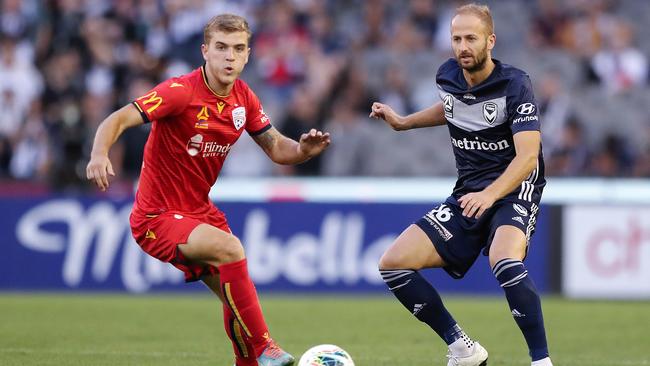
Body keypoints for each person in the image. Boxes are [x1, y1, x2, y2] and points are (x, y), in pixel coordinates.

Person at [86, 14, 331, 366]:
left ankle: (248, 361)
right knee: (231, 250)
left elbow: (277, 148)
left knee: (235, 295)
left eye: (238, 49)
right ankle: (265, 346)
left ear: (248, 55)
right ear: (205, 51)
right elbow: (120, 118)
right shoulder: (180, 92)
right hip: (157, 215)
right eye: (221, 48)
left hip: (200, 212)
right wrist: (99, 153)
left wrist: (303, 150)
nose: (229, 57)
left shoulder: (244, 99)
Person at [370, 4, 552, 366]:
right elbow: (452, 107)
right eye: (456, 38)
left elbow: (528, 157)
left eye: (471, 38)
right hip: (468, 193)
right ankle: (462, 348)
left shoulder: (515, 84)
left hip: (513, 190)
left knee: (504, 258)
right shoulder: (448, 75)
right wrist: (405, 122)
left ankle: (541, 361)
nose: (463, 46)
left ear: (490, 41)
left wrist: (490, 195)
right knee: (393, 263)